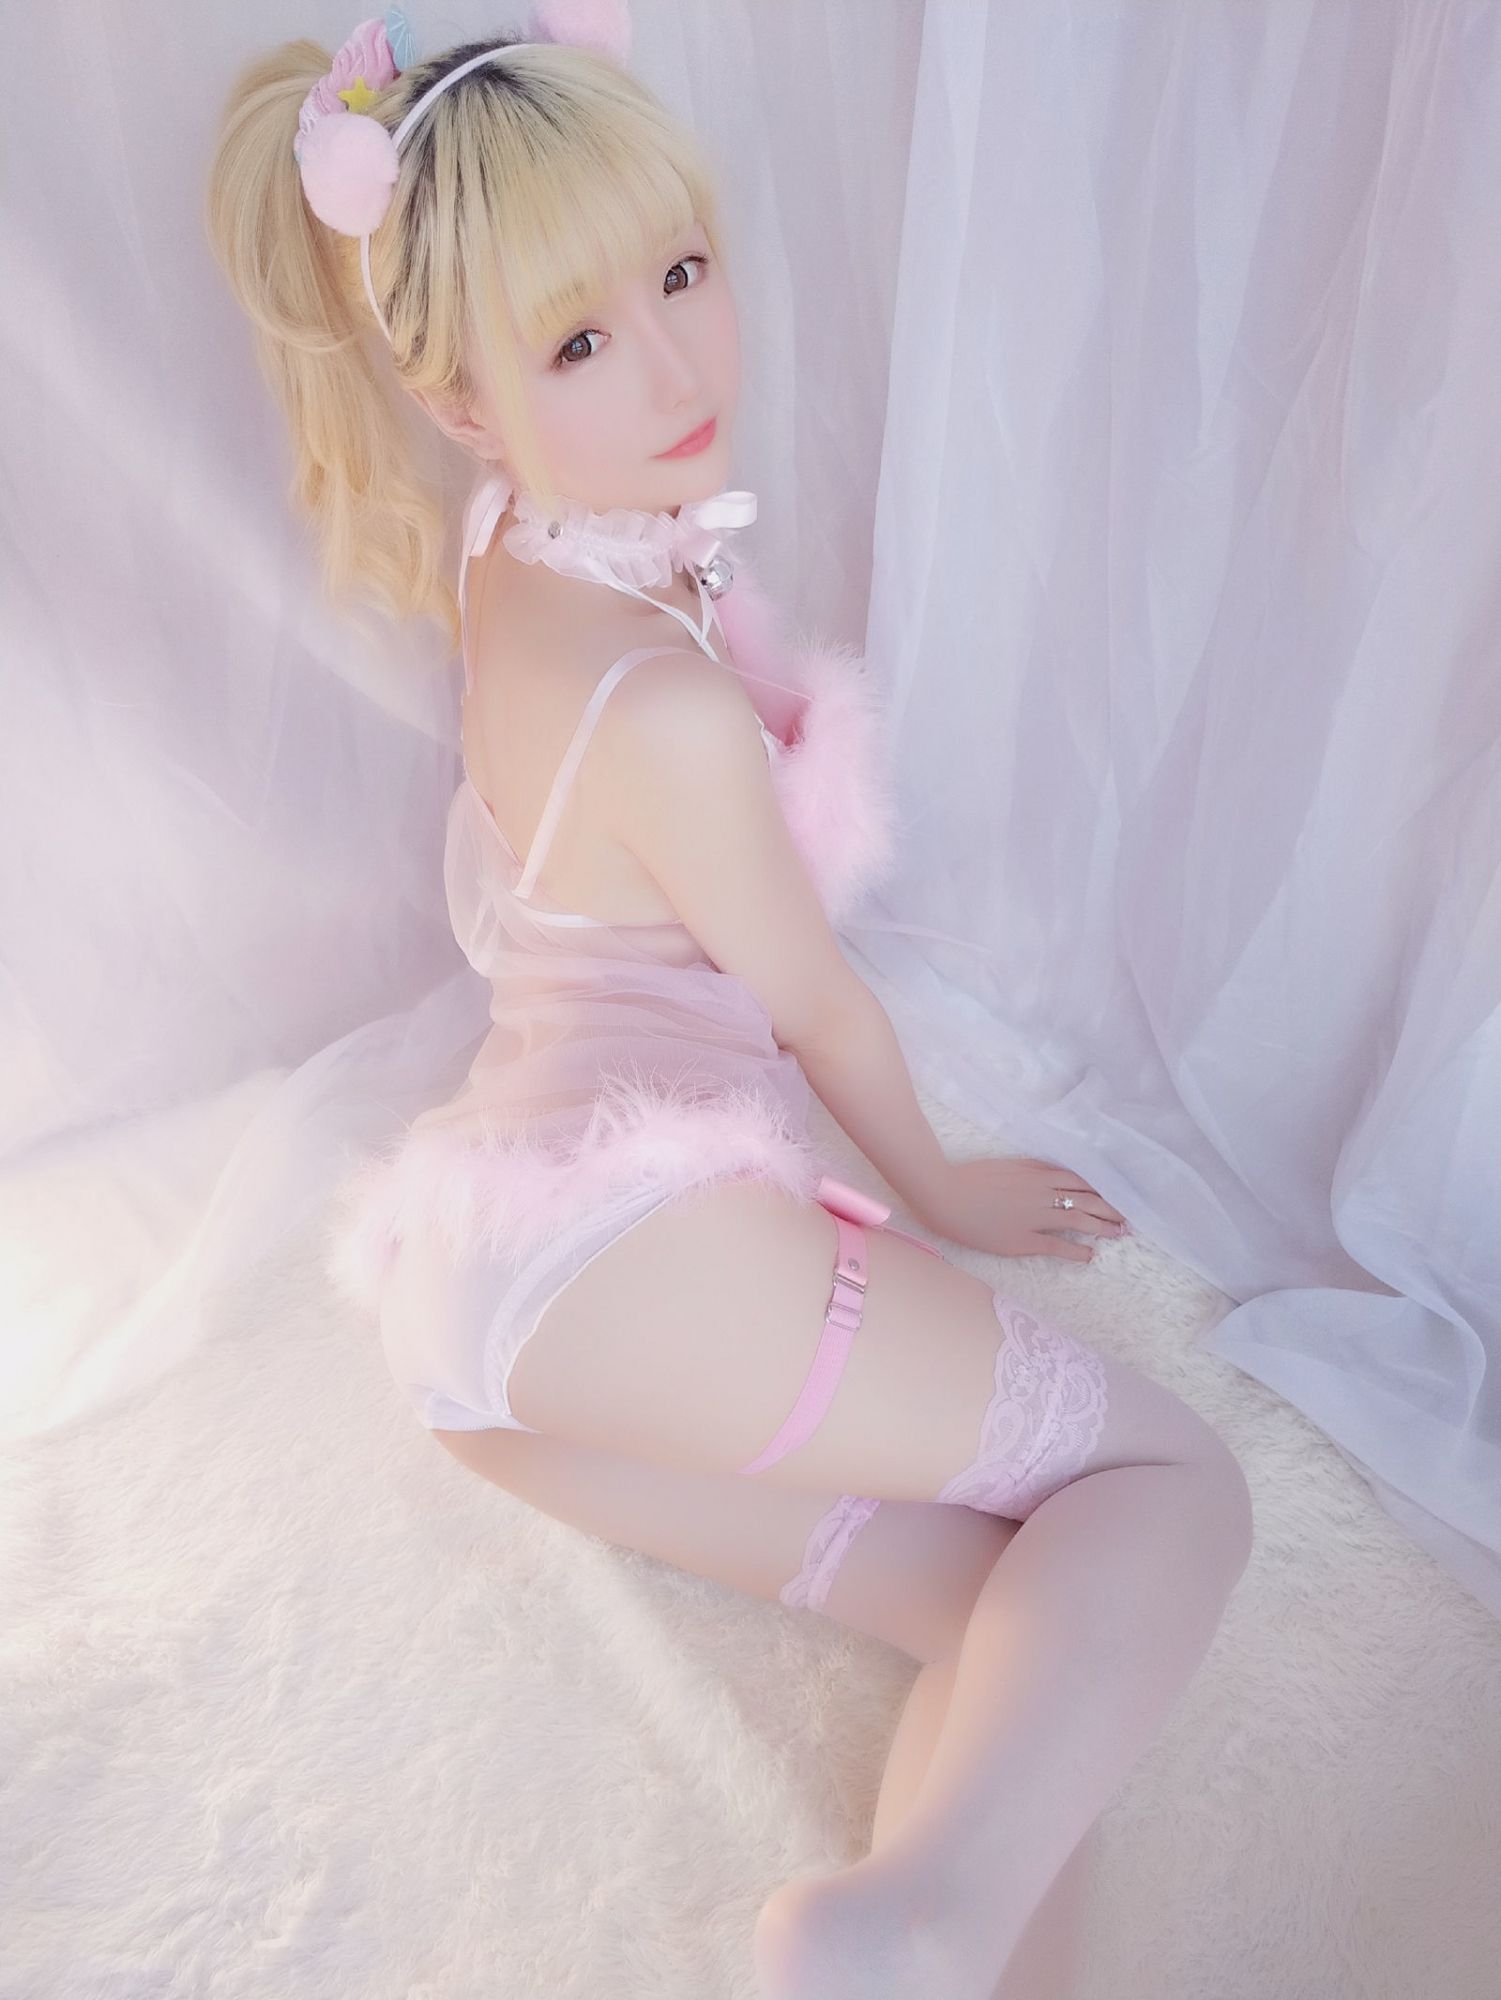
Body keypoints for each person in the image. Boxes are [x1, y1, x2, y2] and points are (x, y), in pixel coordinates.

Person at [205, 9, 1254, 1996]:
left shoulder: (525, 545)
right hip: (622, 1250)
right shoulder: (662, 706)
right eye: (579, 343)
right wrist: (943, 1191)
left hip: (478, 1323)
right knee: (1168, 1484)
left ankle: (916, 1940)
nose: (677, 369)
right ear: (456, 397)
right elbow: (824, 1008)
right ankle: (896, 1924)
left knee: (1007, 1630)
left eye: (680, 273)